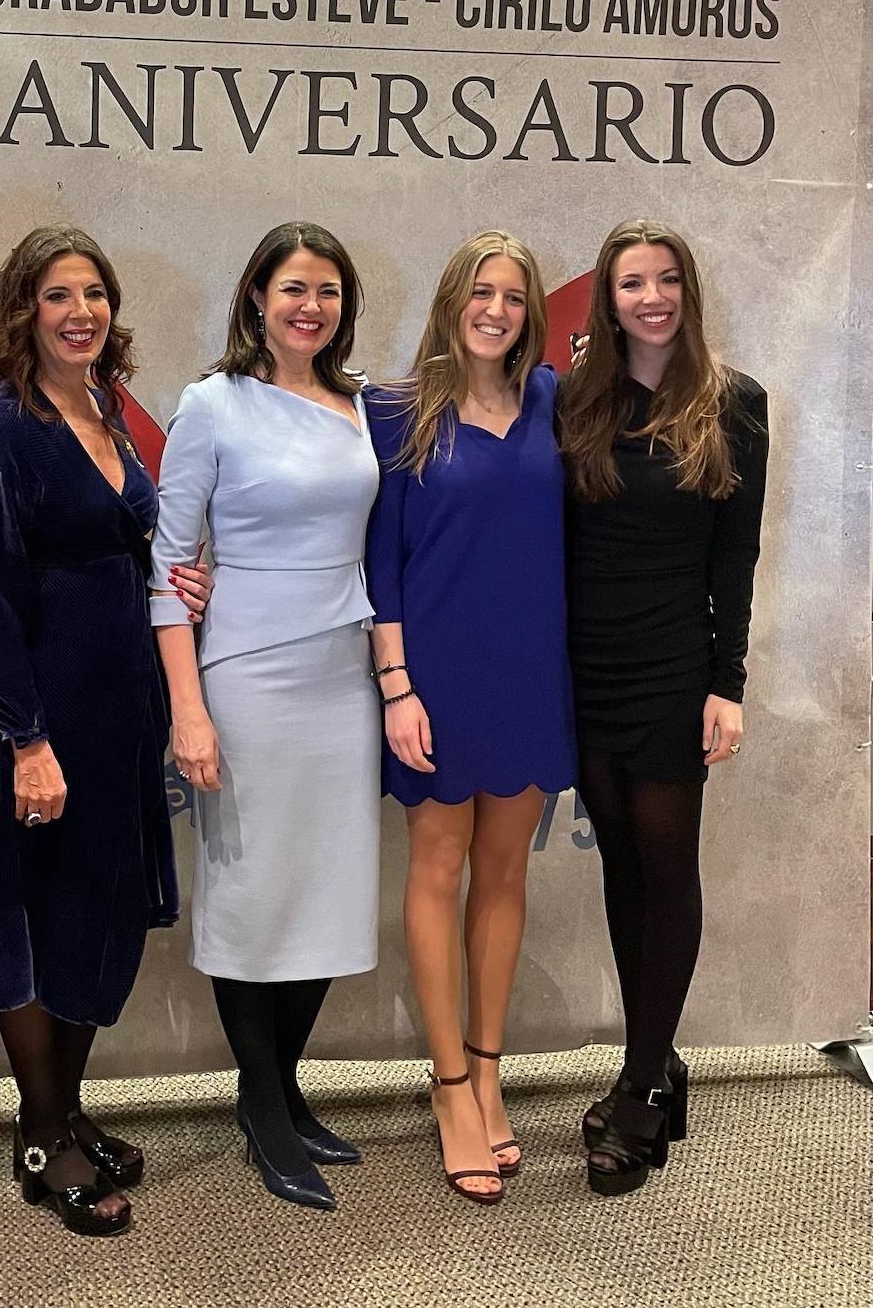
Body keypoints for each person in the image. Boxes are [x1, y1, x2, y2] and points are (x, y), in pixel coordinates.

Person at [0, 225, 212, 1237]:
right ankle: (40, 1129)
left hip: (121, 714)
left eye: (93, 294)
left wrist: (173, 575)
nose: (79, 313)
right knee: (34, 915)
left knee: (94, 914)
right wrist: (24, 740)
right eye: (57, 296)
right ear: (23, 311)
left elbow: (128, 544)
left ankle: (65, 1111)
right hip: (45, 720)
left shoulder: (101, 408)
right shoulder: (6, 432)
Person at [149, 222, 381, 1212]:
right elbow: (166, 567)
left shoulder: (365, 407)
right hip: (244, 676)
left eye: (326, 290)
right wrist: (187, 712)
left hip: (342, 676)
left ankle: (286, 1084)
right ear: (255, 296)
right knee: (250, 894)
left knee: (325, 890)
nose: (309, 306)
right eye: (292, 287)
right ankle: (258, 1098)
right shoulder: (212, 403)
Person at [362, 232, 576, 1205]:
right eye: (480, 292)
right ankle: (449, 1087)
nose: (495, 309)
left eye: (513, 297)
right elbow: (378, 562)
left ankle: (488, 1071)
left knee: (500, 873)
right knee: (437, 868)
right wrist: (397, 688)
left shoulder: (550, 403)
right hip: (434, 679)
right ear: (452, 298)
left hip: (530, 671)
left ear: (531, 312)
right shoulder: (396, 412)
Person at [560, 219, 768, 1196]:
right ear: (605, 300)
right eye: (629, 282)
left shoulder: (733, 403)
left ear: (685, 290)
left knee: (664, 863)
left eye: (664, 279)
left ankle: (639, 1086)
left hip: (673, 671)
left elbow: (735, 554)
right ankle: (661, 1065)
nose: (649, 297)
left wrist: (725, 682)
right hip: (584, 668)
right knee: (621, 874)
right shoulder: (574, 402)